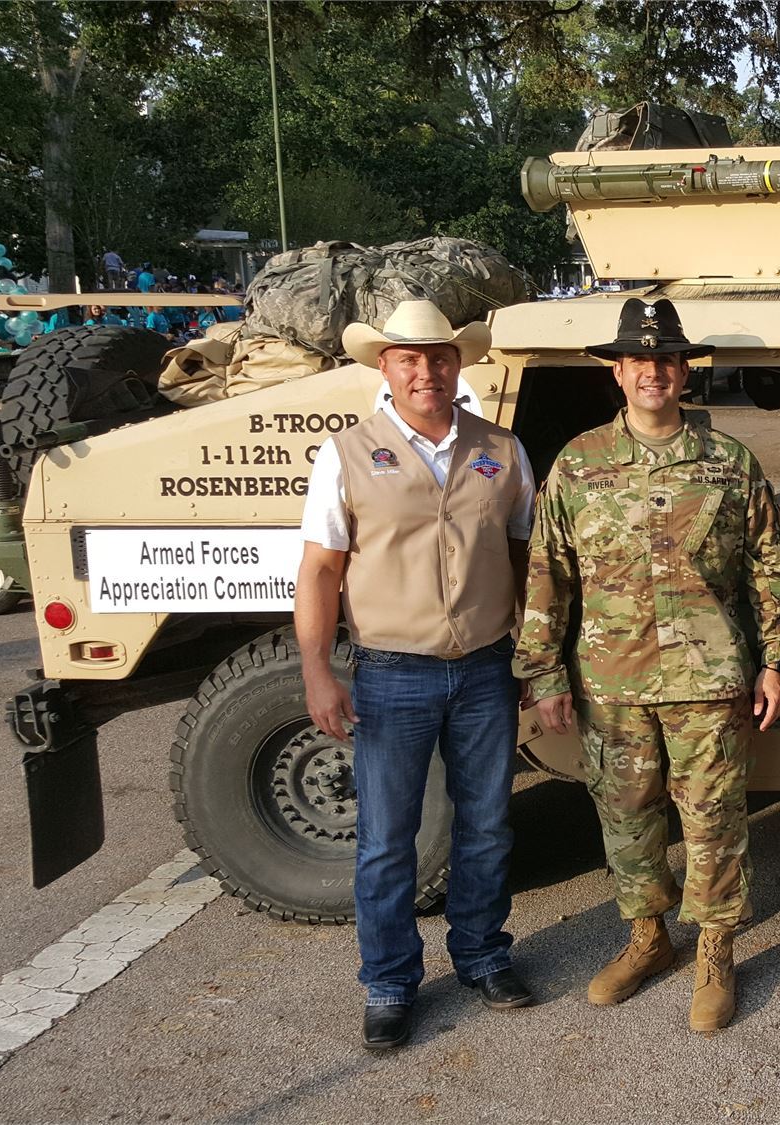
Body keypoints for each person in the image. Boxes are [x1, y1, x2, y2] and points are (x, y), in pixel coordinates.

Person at [517, 296, 780, 1033]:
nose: (652, 372)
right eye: (638, 359)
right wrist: (543, 674)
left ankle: (714, 948)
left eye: (665, 360)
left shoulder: (728, 462)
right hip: (611, 683)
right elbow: (549, 574)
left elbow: (771, 566)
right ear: (619, 372)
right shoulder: (579, 464)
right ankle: (648, 937)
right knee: (627, 818)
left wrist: (776, 660)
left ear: (682, 372)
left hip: (707, 680)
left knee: (714, 821)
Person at [294, 300, 539, 1052]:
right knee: (387, 838)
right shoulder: (346, 454)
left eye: (439, 357)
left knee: (488, 824)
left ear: (459, 365)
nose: (426, 371)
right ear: (385, 368)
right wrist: (318, 673)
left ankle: (482, 953)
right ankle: (392, 981)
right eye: (409, 358)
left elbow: (530, 558)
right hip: (393, 671)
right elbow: (320, 572)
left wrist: (534, 653)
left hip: (486, 667)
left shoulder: (501, 449)